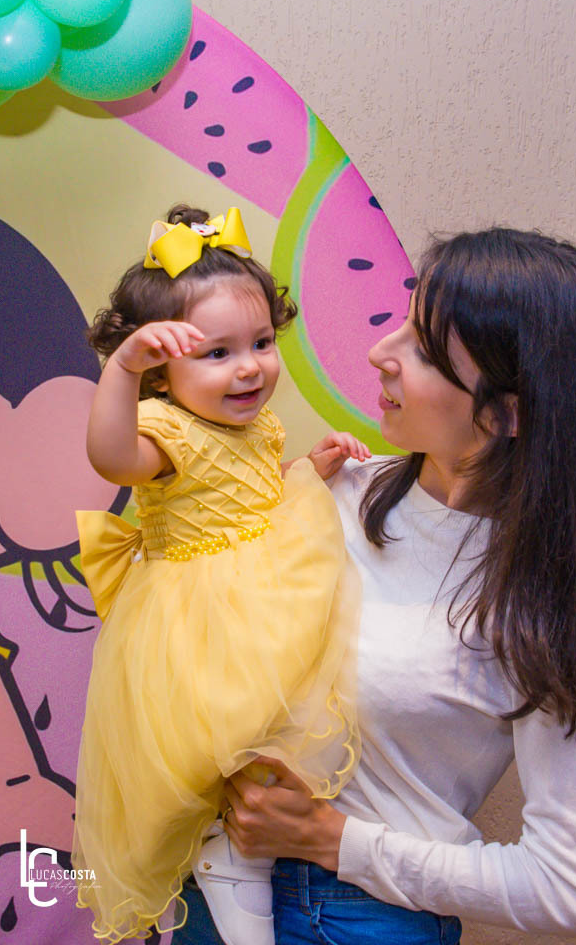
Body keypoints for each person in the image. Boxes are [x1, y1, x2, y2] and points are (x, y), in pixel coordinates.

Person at [173, 226, 576, 944]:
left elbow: (567, 889)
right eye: (403, 320)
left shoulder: (543, 597)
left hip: (358, 919)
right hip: (210, 890)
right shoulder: (330, 489)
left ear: (508, 412)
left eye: (424, 349)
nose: (381, 352)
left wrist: (334, 841)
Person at [72, 205, 369, 945]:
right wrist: (121, 370)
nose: (249, 367)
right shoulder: (163, 430)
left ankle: (243, 850)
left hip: (259, 593)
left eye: (262, 342)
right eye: (217, 353)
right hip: (197, 614)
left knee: (282, 730)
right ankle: (226, 859)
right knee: (223, 740)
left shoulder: (257, 426)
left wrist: (311, 468)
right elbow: (110, 457)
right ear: (162, 373)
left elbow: (258, 490)